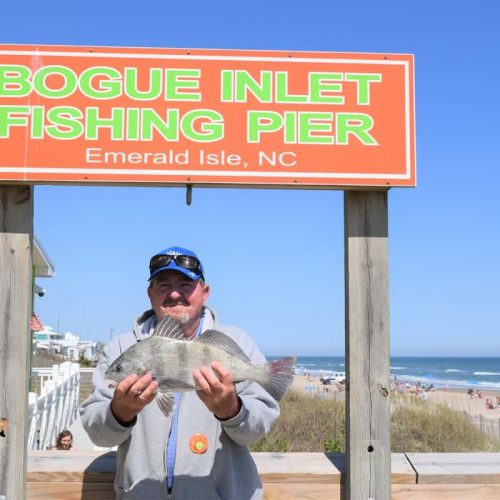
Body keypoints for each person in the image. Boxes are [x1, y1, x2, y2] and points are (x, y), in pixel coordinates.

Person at [81, 246, 280, 499]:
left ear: (205, 292)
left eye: (186, 284)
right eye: (163, 284)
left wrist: (231, 410)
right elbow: (97, 433)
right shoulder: (121, 348)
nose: (174, 293)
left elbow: (257, 429)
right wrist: (120, 412)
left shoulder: (237, 341)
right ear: (150, 293)